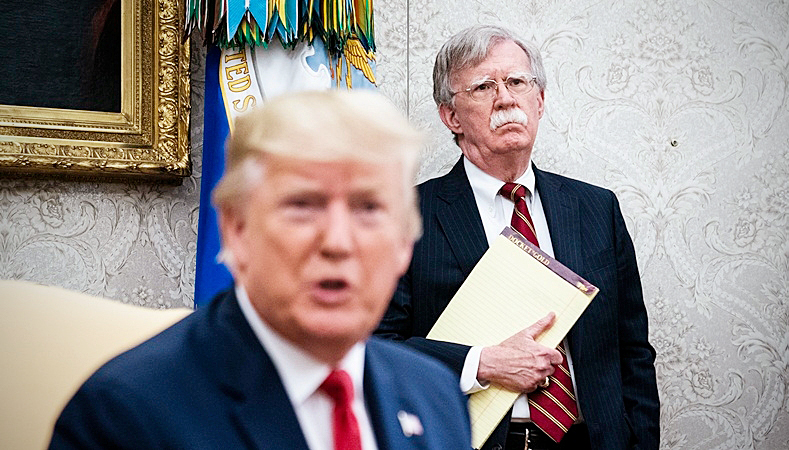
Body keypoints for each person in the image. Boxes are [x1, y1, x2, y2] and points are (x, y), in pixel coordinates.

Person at [50, 90, 472, 450]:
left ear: (404, 243)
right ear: (236, 230)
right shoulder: (124, 415)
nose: (338, 242)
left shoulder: (435, 395)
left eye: (368, 208)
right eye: (302, 206)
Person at [376, 25, 660, 450]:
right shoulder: (405, 214)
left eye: (517, 82)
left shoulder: (596, 208)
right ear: (451, 116)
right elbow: (375, 348)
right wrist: (481, 363)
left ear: (539, 100)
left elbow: (632, 350)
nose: (506, 99)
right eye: (483, 86)